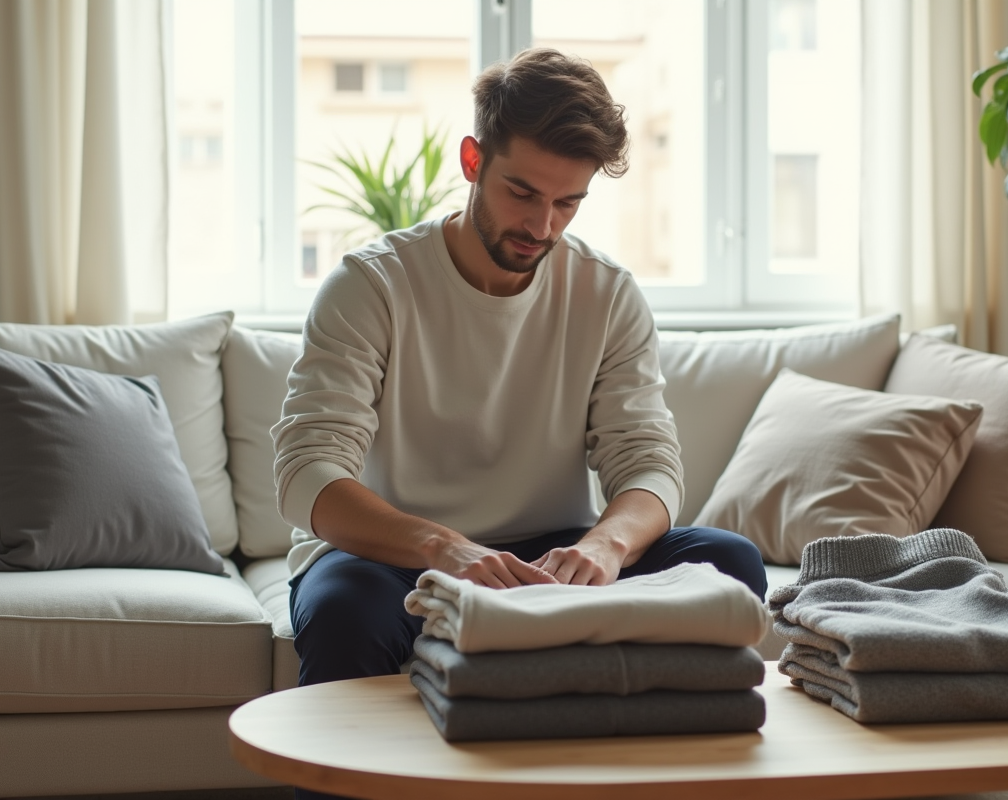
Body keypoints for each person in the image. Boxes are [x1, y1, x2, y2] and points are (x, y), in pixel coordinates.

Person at [273, 47, 766, 696]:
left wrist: (605, 547)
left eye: (569, 203)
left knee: (729, 563)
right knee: (343, 612)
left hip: (550, 553)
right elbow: (308, 474)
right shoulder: (372, 285)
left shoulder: (606, 292)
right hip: (396, 557)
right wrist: (444, 548)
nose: (542, 225)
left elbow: (648, 463)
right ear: (473, 161)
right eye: (523, 192)